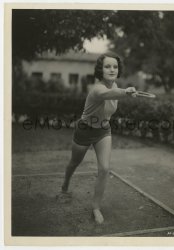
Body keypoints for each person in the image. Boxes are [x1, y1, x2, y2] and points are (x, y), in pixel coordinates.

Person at [61, 52, 136, 224]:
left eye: (115, 66)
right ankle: (65, 184)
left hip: (103, 131)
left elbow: (114, 94)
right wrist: (126, 91)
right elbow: (107, 95)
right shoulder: (97, 89)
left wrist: (123, 91)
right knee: (74, 162)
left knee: (104, 169)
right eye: (107, 66)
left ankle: (96, 207)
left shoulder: (115, 86)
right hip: (85, 130)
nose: (112, 69)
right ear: (100, 70)